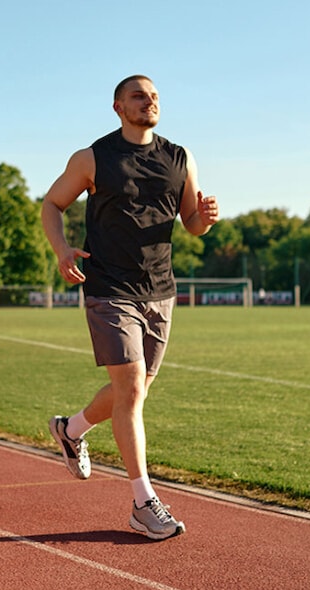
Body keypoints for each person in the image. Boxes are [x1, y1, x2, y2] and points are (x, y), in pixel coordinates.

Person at [41, 75, 219, 540]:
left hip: (160, 289)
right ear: (118, 106)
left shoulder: (180, 157)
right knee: (132, 389)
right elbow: (52, 205)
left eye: (155, 95)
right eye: (140, 96)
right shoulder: (93, 158)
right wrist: (61, 250)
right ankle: (144, 502)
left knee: (132, 393)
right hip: (108, 286)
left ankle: (70, 428)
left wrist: (205, 218)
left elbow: (192, 223)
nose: (150, 101)